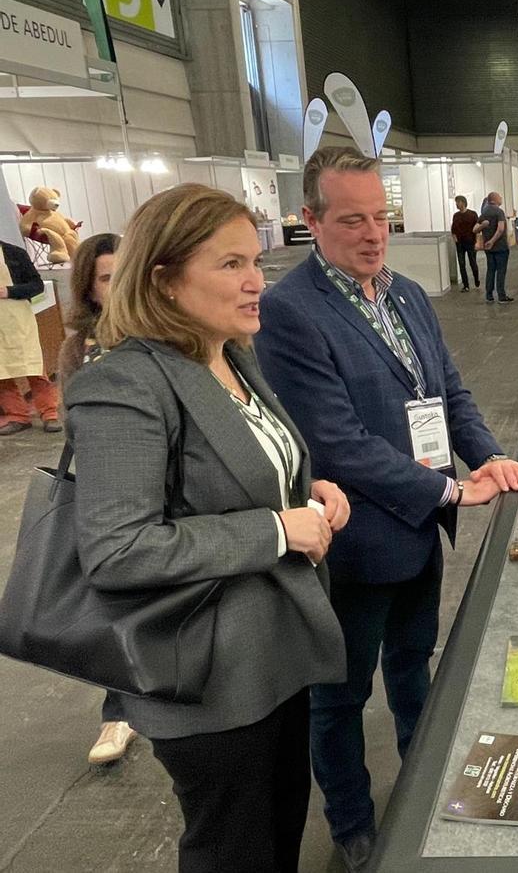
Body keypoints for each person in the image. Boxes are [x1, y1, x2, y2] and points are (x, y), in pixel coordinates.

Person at [255, 147, 518, 871]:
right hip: (352, 543)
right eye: (352, 221)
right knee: (339, 697)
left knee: (414, 667)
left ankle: (423, 787)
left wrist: (488, 457)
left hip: (416, 534)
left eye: (381, 217)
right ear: (310, 221)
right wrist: (448, 490)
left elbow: (450, 392)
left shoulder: (404, 293)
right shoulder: (290, 312)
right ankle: (352, 826)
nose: (373, 234)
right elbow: (337, 442)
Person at [66, 184, 350, 872]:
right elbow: (117, 549)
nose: (256, 281)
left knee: (279, 830)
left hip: (274, 657)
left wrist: (304, 488)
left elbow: (239, 471)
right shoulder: (126, 383)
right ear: (164, 278)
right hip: (204, 678)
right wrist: (280, 529)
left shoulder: (230, 355)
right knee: (231, 847)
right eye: (230, 265)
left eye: (256, 260)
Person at [56, 232, 140, 765]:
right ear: (89, 288)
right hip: (108, 495)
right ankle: (117, 712)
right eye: (107, 278)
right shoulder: (79, 350)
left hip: (167, 499)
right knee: (115, 606)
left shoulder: (164, 336)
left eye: (124, 274)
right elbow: (72, 425)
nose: (118, 287)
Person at [0, 240, 61, 435]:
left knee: (33, 366)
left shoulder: (14, 253)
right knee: (2, 372)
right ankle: (17, 415)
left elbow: (37, 285)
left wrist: (9, 291)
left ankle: (49, 413)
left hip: (18, 319)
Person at [474, 191, 511, 303]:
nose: (501, 198)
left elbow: (474, 229)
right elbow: (500, 229)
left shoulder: (484, 212)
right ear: (494, 199)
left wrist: (483, 226)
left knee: (490, 270)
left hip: (488, 249)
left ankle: (489, 295)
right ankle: (501, 296)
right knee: (501, 271)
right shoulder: (499, 212)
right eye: (499, 197)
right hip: (500, 247)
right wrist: (492, 241)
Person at [450, 195, 479, 292]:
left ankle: (476, 279)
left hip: (470, 242)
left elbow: (477, 229)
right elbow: (453, 229)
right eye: (456, 202)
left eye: (458, 202)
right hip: (460, 243)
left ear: (463, 202)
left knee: (472, 263)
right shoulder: (456, 216)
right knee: (462, 264)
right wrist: (455, 240)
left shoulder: (473, 214)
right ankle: (465, 285)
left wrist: (477, 241)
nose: (457, 204)